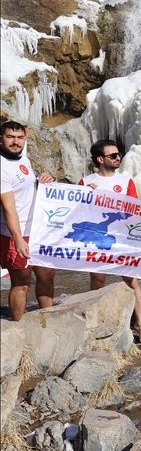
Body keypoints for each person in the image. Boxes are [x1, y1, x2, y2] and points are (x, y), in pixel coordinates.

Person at [79, 140, 141, 344]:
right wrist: (87, 196)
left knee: (131, 281)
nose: (118, 158)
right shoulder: (85, 182)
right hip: (97, 238)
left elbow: (135, 212)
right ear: (100, 159)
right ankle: (97, 322)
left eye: (118, 154)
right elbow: (79, 212)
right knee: (97, 281)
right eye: (113, 155)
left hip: (122, 239)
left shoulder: (126, 181)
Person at [0, 120, 55, 321]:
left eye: (19, 137)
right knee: (21, 282)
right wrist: (18, 239)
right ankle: (18, 328)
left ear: (25, 138)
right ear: (1, 138)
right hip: (16, 233)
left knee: (47, 275)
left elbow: (30, 189)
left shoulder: (23, 158)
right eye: (10, 137)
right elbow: (9, 207)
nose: (15, 142)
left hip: (39, 229)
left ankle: (47, 320)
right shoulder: (1, 166)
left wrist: (43, 180)